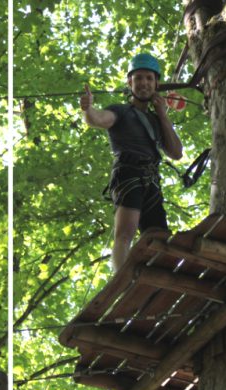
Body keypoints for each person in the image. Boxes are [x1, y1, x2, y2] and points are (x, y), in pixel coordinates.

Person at [80, 53, 183, 271]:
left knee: (159, 237)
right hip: (128, 173)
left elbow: (176, 152)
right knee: (125, 232)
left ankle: (158, 280)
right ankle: (121, 280)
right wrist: (88, 109)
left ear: (157, 83)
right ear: (130, 83)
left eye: (148, 78)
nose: (144, 83)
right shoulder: (121, 111)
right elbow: (98, 119)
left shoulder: (157, 121)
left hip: (152, 180)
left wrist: (162, 114)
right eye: (138, 78)